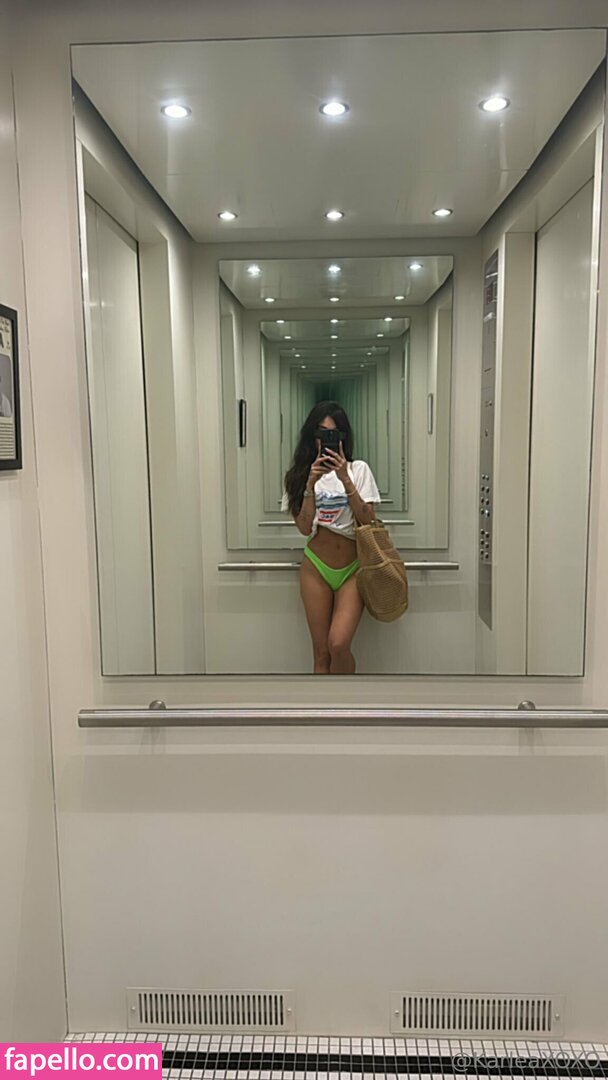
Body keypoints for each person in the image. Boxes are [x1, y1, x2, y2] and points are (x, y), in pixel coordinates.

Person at [282, 401, 380, 675]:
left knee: (338, 644)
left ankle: (347, 701)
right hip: (316, 567)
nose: (326, 440)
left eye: (333, 434)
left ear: (342, 438)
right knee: (321, 653)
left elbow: (368, 519)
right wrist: (310, 485)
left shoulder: (359, 470)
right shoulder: (298, 476)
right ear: (311, 436)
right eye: (321, 433)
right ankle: (322, 704)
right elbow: (304, 527)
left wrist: (345, 479)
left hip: (353, 569)